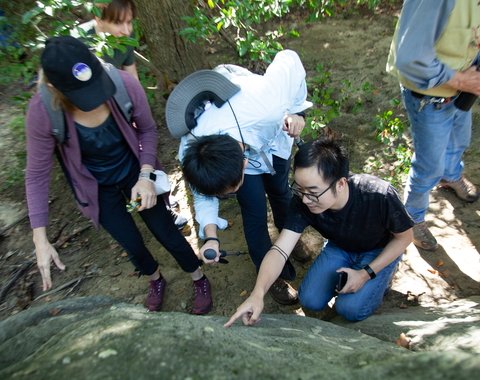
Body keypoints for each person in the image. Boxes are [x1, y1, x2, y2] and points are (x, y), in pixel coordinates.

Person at [25, 35, 212, 314]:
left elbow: (147, 130)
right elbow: (37, 174)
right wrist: (39, 237)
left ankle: (199, 278)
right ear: (54, 87)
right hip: (97, 189)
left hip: (134, 173)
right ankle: (155, 279)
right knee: (132, 244)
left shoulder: (123, 84)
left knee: (165, 230)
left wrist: (146, 175)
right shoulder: (42, 111)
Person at [165, 50, 313, 305]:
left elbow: (289, 58)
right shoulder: (193, 149)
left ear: (244, 164)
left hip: (273, 139)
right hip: (238, 147)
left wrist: (298, 111)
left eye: (231, 190)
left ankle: (291, 240)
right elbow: (202, 196)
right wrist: (210, 235)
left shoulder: (268, 104)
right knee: (254, 213)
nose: (227, 196)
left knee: (281, 194)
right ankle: (270, 274)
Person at [225, 138, 414, 326]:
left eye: (313, 192)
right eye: (300, 189)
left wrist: (365, 274)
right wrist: (257, 294)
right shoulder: (301, 203)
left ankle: (384, 273)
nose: (306, 200)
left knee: (350, 310)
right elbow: (280, 250)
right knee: (310, 300)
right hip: (339, 246)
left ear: (340, 184)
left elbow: (404, 238)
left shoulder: (378, 194)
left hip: (379, 249)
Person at [387, 0, 480, 251]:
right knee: (429, 165)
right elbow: (410, 58)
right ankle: (412, 218)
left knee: (460, 138)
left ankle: (451, 176)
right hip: (430, 96)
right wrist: (461, 81)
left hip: (464, 83)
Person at [73, 0, 139, 80]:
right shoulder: (78, 42)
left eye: (129, 22)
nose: (126, 31)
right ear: (100, 21)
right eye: (117, 23)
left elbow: (131, 74)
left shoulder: (126, 37)